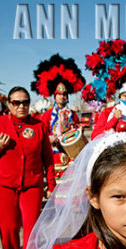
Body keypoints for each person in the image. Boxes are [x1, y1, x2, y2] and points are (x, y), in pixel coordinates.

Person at [0, 86, 55, 249]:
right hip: (5, 184)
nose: (21, 106)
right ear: (9, 104)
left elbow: (48, 158)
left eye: (25, 102)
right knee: (9, 226)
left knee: (31, 226)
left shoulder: (38, 126)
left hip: (32, 184)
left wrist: (51, 184)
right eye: (16, 102)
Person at [31, 54, 85, 182]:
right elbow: (41, 132)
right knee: (56, 183)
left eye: (64, 94)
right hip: (54, 152)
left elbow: (76, 127)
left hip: (71, 152)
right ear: (54, 96)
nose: (62, 97)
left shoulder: (72, 113)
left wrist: (80, 131)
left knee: (71, 182)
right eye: (59, 94)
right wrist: (49, 139)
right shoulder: (47, 114)